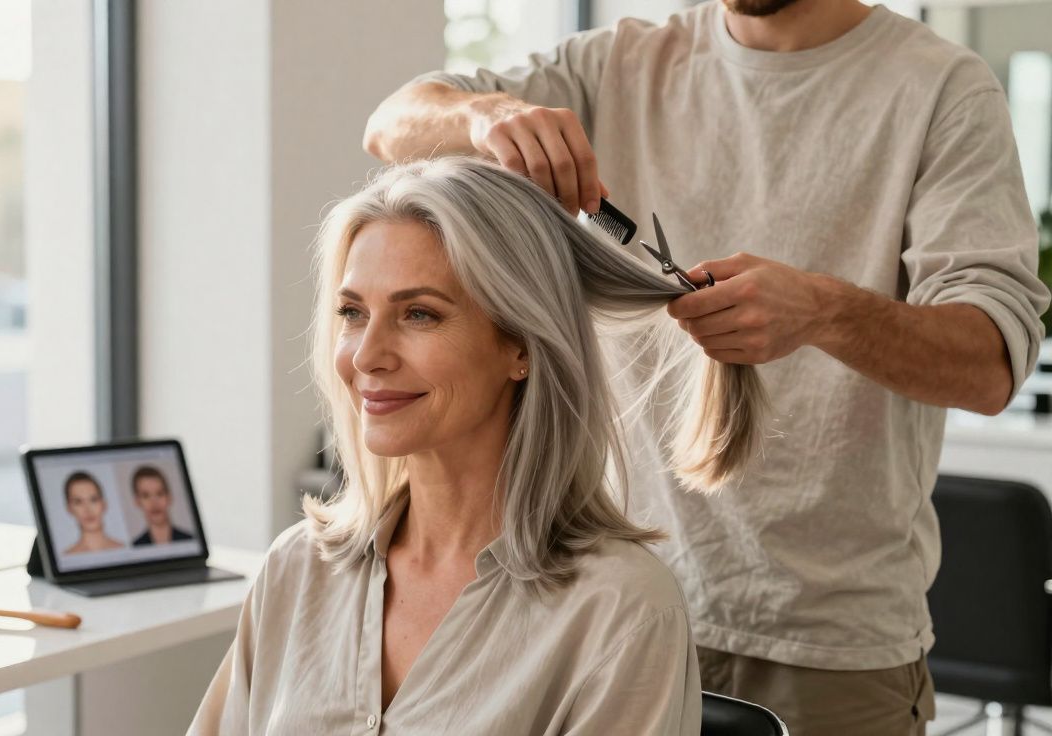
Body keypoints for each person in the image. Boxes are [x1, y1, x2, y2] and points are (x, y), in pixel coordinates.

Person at [362, 1, 1051, 733]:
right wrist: (484, 117)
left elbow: (989, 364)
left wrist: (825, 311)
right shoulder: (614, 64)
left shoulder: (941, 88)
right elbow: (391, 125)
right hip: (607, 612)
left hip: (825, 654)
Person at [190, 157, 772, 735]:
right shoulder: (295, 571)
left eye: (419, 314)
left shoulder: (620, 608)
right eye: (352, 312)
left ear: (521, 345)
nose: (367, 355)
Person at [62, 471, 125, 555]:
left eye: (93, 500)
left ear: (104, 504)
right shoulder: (67, 556)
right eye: (78, 502)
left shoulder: (123, 549)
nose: (88, 510)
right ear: (69, 509)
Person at [130, 465, 193, 546]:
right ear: (137, 501)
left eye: (159, 494)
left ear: (169, 497)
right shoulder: (136, 546)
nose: (154, 503)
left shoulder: (189, 540)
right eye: (145, 496)